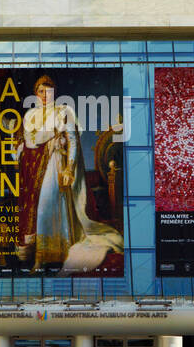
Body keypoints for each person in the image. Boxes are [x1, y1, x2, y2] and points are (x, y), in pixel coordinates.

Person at [13, 74, 124, 273]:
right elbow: (29, 143)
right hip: (34, 168)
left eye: (48, 91)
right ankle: (40, 256)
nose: (45, 95)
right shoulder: (30, 116)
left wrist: (68, 169)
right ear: (35, 94)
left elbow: (72, 140)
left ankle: (59, 251)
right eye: (40, 91)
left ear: (54, 92)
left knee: (48, 205)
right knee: (37, 208)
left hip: (56, 164)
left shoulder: (64, 111)